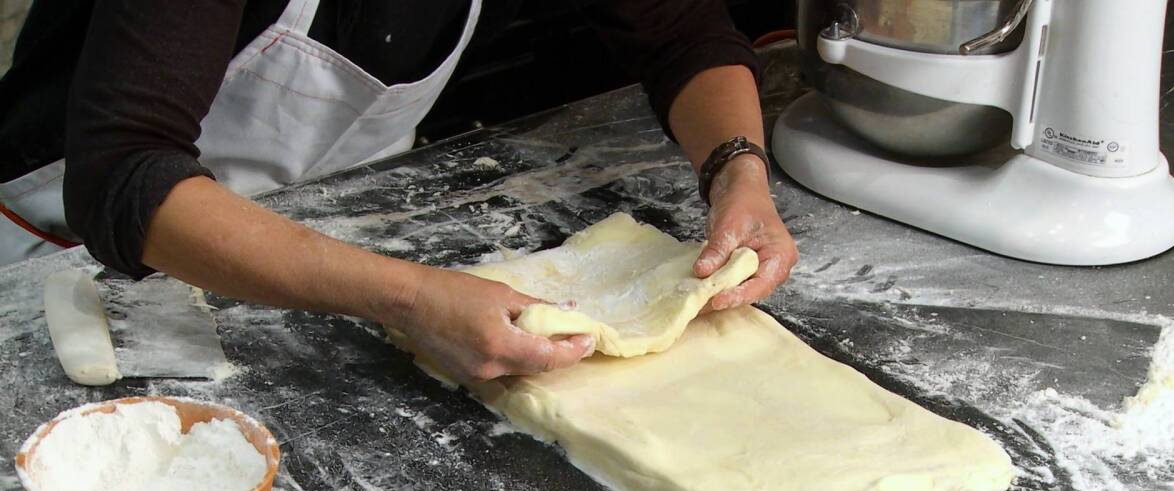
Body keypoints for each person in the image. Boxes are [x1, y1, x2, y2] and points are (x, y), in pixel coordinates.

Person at [0, 0, 799, 382]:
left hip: (341, 274)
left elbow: (684, 33)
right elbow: (124, 170)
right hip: (73, 272)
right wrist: (411, 299)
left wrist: (739, 169)